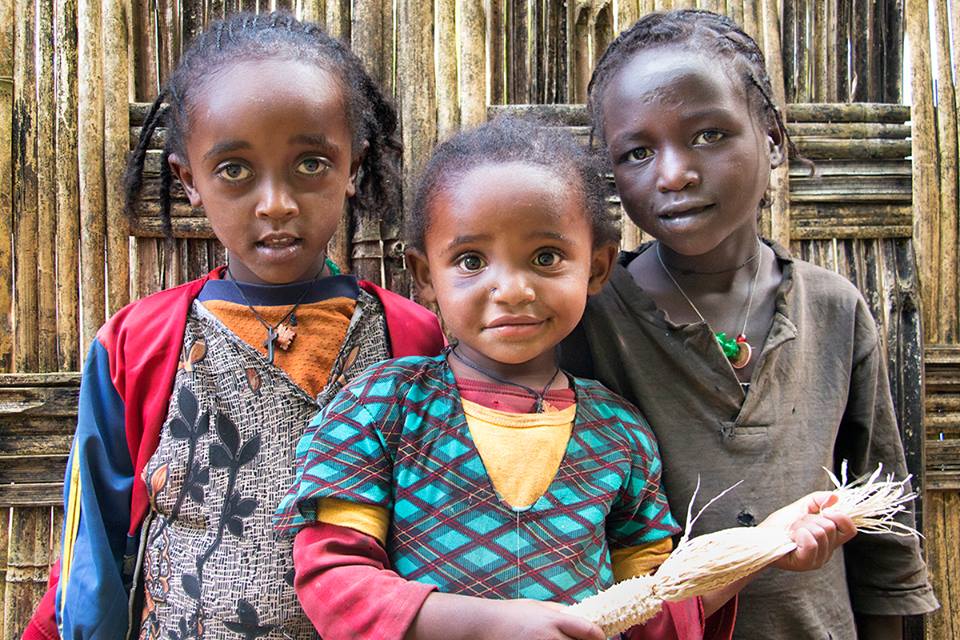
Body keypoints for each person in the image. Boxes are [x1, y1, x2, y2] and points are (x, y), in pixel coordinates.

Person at [274, 117, 855, 640]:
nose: (513, 289)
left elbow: (655, 608)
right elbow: (335, 581)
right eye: (472, 261)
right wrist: (489, 627)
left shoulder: (619, 435)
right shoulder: (381, 408)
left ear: (597, 267)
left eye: (547, 257)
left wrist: (762, 548)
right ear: (425, 276)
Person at [22, 12, 444, 640]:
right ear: (189, 179)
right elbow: (93, 548)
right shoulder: (136, 345)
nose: (276, 201)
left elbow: (443, 522)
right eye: (235, 170)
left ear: (353, 166)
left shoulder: (411, 338)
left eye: (311, 164)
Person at [561, 9, 938, 640]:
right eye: (637, 151)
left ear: (771, 137)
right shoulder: (588, 316)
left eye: (709, 135)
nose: (674, 172)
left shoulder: (834, 309)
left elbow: (886, 536)